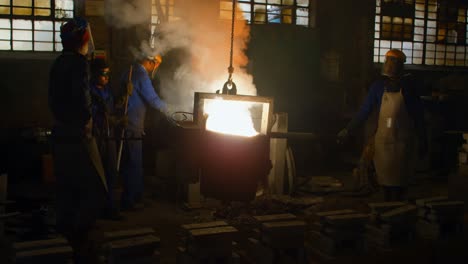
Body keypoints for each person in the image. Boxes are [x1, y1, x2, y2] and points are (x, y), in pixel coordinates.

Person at [48, 17, 107, 263]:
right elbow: (82, 99)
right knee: (92, 187)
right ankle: (82, 244)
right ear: (82, 39)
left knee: (67, 188)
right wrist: (87, 121)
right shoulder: (79, 64)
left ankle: (66, 238)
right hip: (77, 136)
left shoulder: (58, 63)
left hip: (60, 133)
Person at [337, 49, 427, 201]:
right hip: (383, 144)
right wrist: (348, 129)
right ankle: (387, 210)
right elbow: (364, 112)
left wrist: (423, 141)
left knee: (400, 183)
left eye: (392, 62)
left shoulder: (409, 89)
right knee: (385, 182)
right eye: (387, 61)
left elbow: (418, 117)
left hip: (403, 145)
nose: (388, 65)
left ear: (399, 65)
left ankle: (397, 212)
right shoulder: (378, 87)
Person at [118, 53, 167, 211]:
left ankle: (136, 196)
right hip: (132, 124)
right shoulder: (140, 74)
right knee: (133, 164)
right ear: (150, 62)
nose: (156, 68)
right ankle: (130, 201)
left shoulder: (129, 70)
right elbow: (152, 99)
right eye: (156, 64)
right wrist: (171, 111)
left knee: (132, 163)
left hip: (126, 123)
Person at [89, 58, 125, 220]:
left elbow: (111, 108)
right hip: (96, 136)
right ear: (95, 74)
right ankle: (96, 208)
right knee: (97, 173)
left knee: (111, 171)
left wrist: (123, 98)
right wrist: (115, 121)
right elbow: (99, 115)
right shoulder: (89, 92)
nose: (106, 77)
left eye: (108, 74)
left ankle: (110, 207)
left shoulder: (107, 90)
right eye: (103, 74)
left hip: (109, 136)